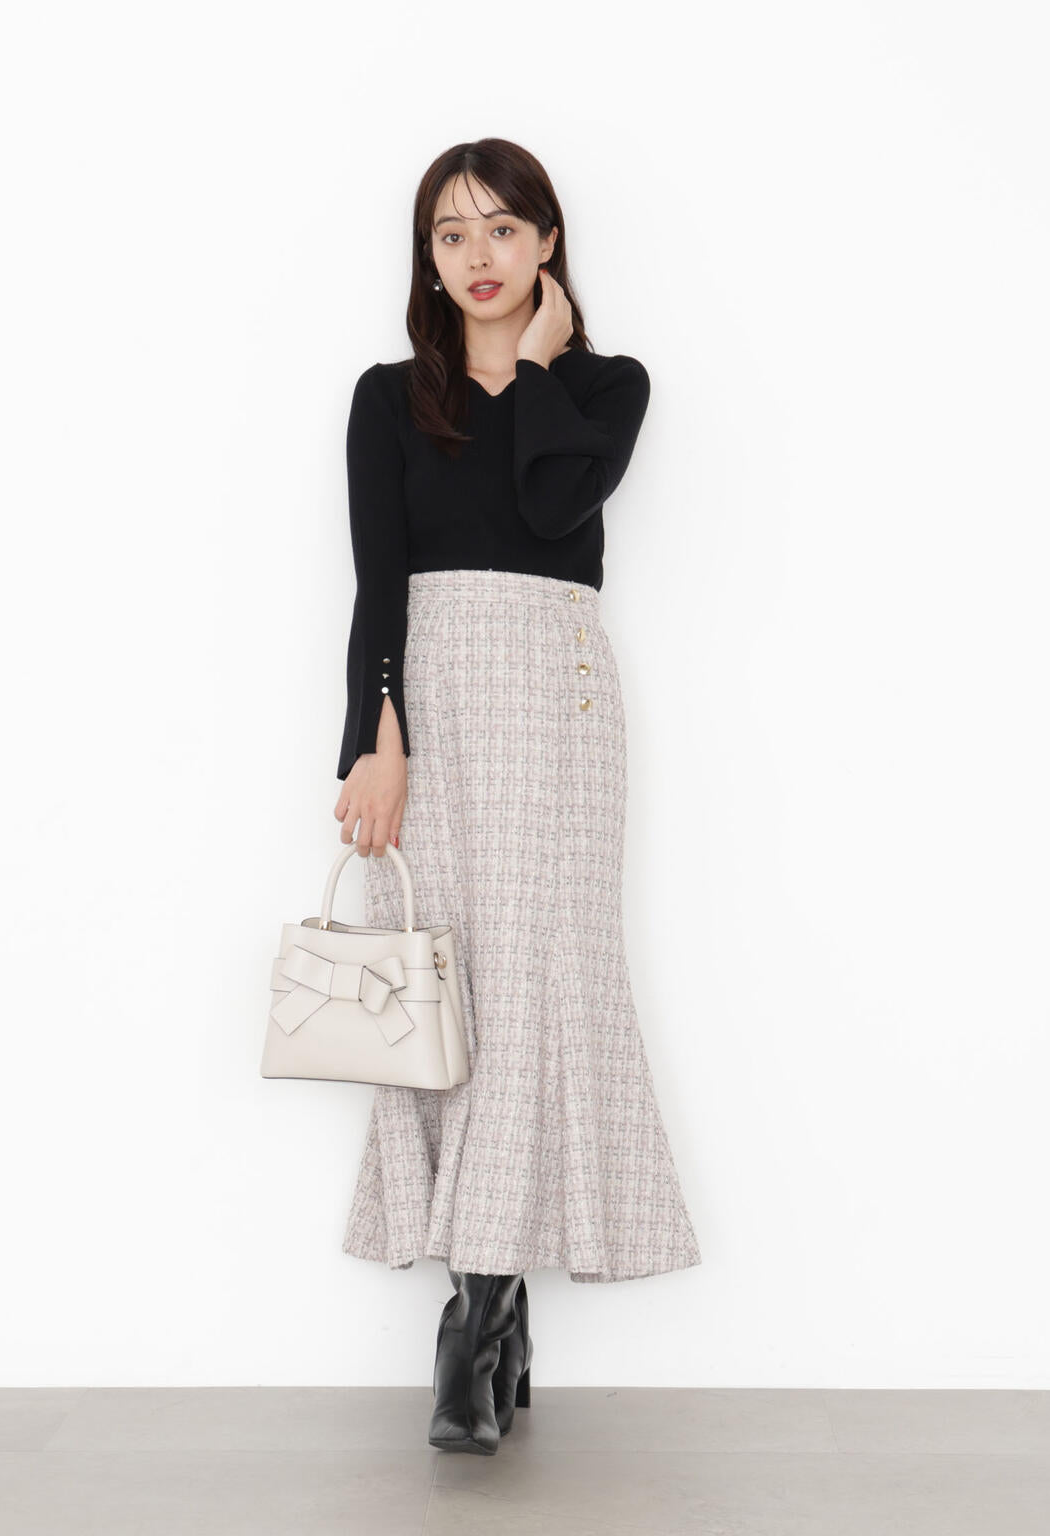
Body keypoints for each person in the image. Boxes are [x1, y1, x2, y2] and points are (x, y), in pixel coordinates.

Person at [331, 138, 702, 1454]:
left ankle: (475, 1326)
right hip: (432, 704)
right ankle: (496, 1317)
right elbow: (379, 581)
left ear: (547, 242)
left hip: (558, 705)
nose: (477, 256)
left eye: (501, 229)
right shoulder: (389, 397)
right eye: (451, 234)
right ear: (426, 258)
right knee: (449, 985)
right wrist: (372, 741)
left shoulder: (605, 386)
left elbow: (556, 509)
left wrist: (538, 370)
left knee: (540, 982)